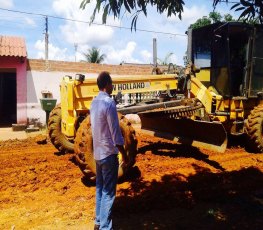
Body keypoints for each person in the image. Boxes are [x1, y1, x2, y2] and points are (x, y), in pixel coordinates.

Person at [90, 71, 127, 230]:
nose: (113, 86)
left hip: (97, 154)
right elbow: (116, 134)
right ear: (106, 84)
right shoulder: (109, 103)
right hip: (109, 155)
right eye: (111, 83)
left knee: (100, 189)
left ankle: (98, 222)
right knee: (108, 193)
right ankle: (105, 227)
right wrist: (124, 154)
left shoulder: (93, 103)